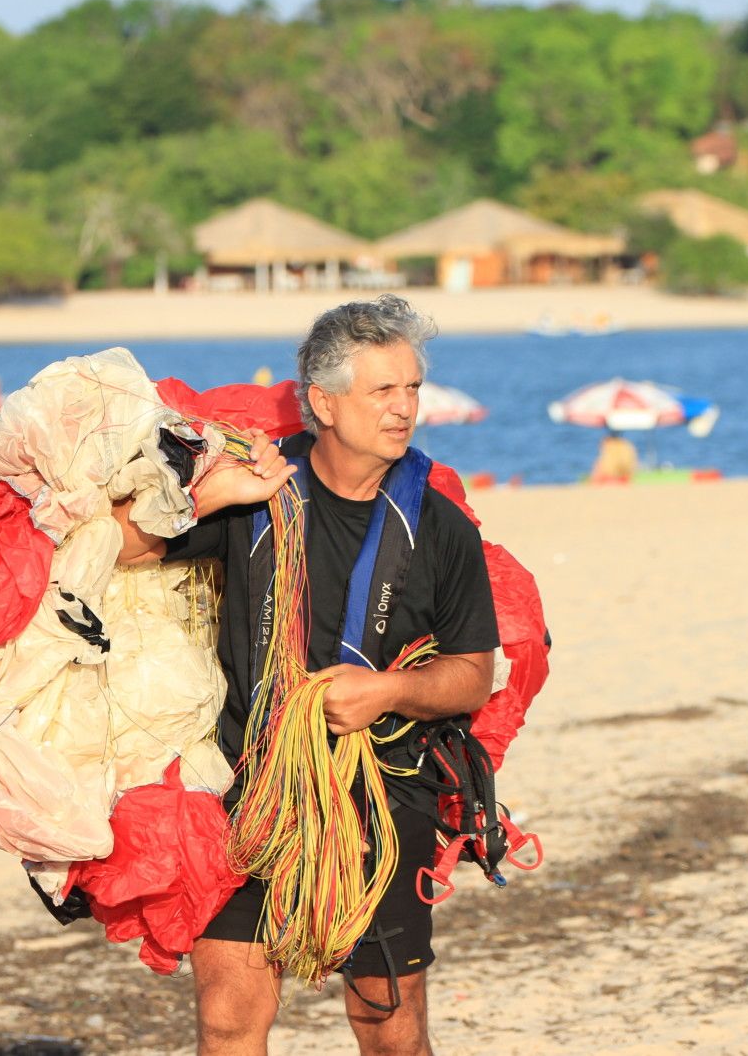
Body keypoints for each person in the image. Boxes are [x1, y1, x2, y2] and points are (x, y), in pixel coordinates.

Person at [114, 295, 499, 1056]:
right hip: (248, 793)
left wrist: (387, 692)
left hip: (384, 795)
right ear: (323, 402)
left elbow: (472, 676)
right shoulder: (254, 491)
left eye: (412, 389)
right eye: (382, 391)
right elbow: (117, 549)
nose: (404, 409)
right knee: (229, 1019)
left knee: (388, 1024)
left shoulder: (440, 525)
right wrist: (206, 495)